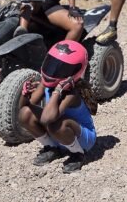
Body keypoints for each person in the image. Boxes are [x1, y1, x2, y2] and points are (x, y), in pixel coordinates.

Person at [18, 40, 97, 173]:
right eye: (52, 65)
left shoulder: (71, 94)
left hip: (83, 138)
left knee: (55, 125)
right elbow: (25, 107)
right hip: (61, 133)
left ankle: (78, 154)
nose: (53, 72)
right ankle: (52, 148)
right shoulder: (45, 83)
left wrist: (58, 90)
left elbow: (47, 119)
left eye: (61, 69)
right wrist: (24, 94)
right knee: (25, 113)